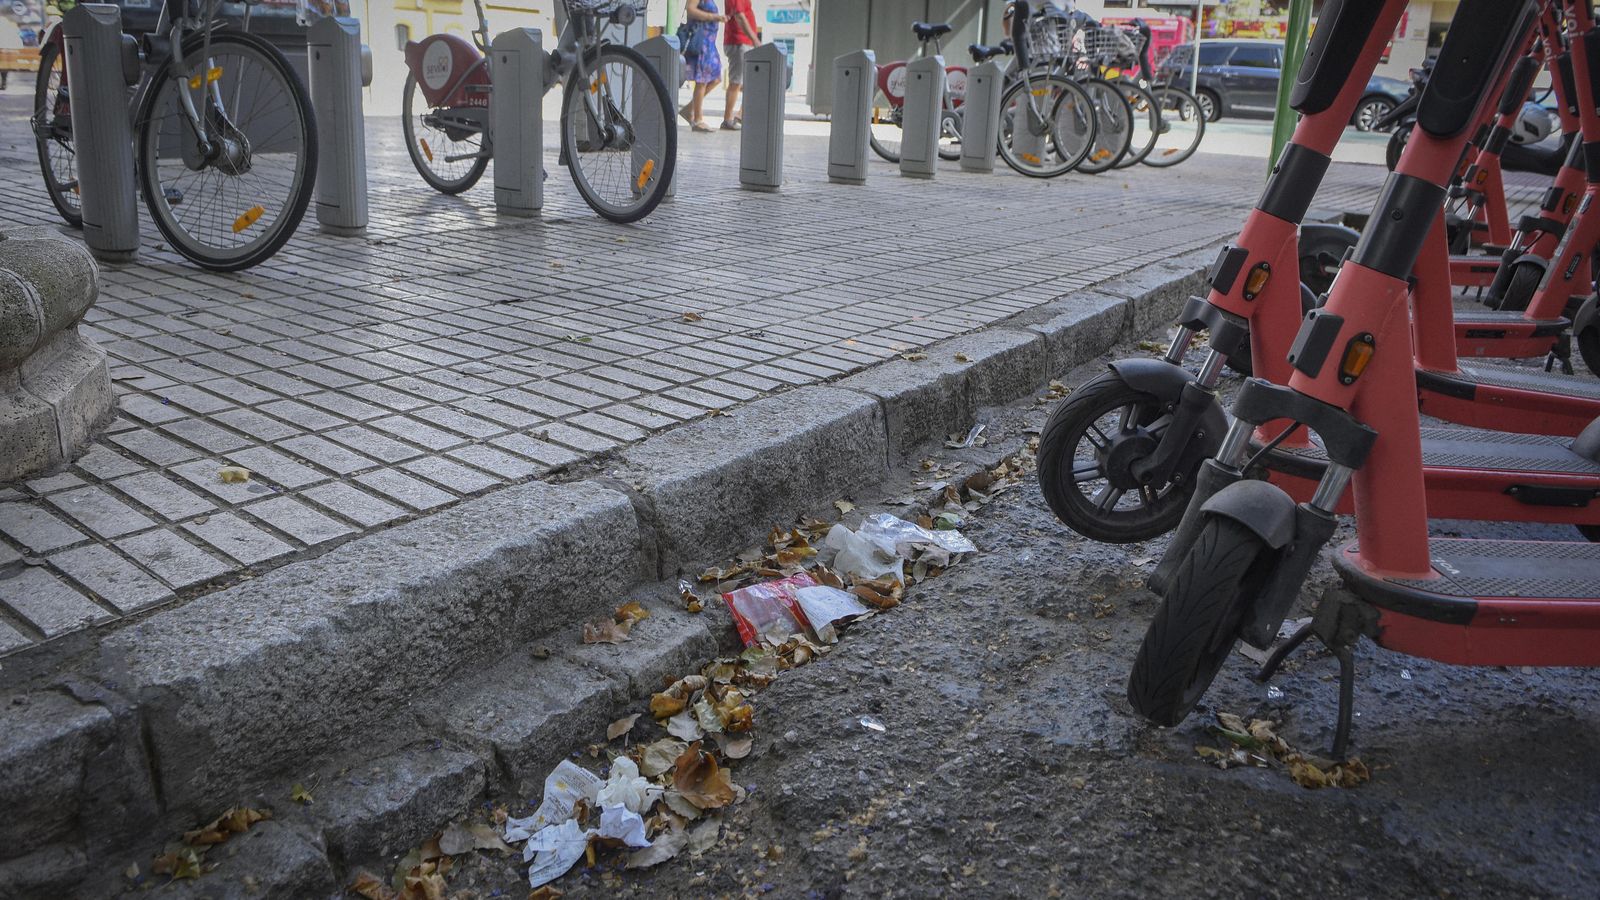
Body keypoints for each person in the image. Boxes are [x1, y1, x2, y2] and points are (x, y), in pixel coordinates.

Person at [679, 0, 725, 133]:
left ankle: (689, 109)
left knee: (716, 78)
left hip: (709, 42)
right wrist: (714, 17)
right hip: (701, 41)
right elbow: (691, 10)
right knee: (702, 80)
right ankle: (697, 119)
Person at [720, 0, 759, 130]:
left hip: (743, 42)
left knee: (748, 82)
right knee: (735, 82)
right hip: (739, 41)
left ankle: (740, 114)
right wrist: (755, 39)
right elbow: (740, 16)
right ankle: (727, 119)